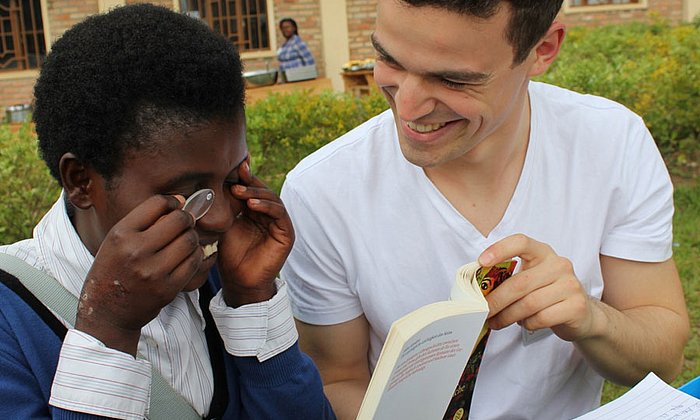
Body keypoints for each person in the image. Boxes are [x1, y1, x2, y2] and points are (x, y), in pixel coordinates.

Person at [279, 1, 690, 419]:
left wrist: (592, 320)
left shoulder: (612, 145)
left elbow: (662, 357)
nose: (407, 107)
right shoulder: (322, 191)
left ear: (543, 49)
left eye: (453, 79)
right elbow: (337, 379)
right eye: (389, 59)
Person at [0, 4, 335, 419]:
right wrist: (108, 332)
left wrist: (251, 300)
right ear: (81, 181)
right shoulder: (11, 319)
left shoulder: (220, 279)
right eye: (186, 193)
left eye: (233, 178)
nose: (220, 218)